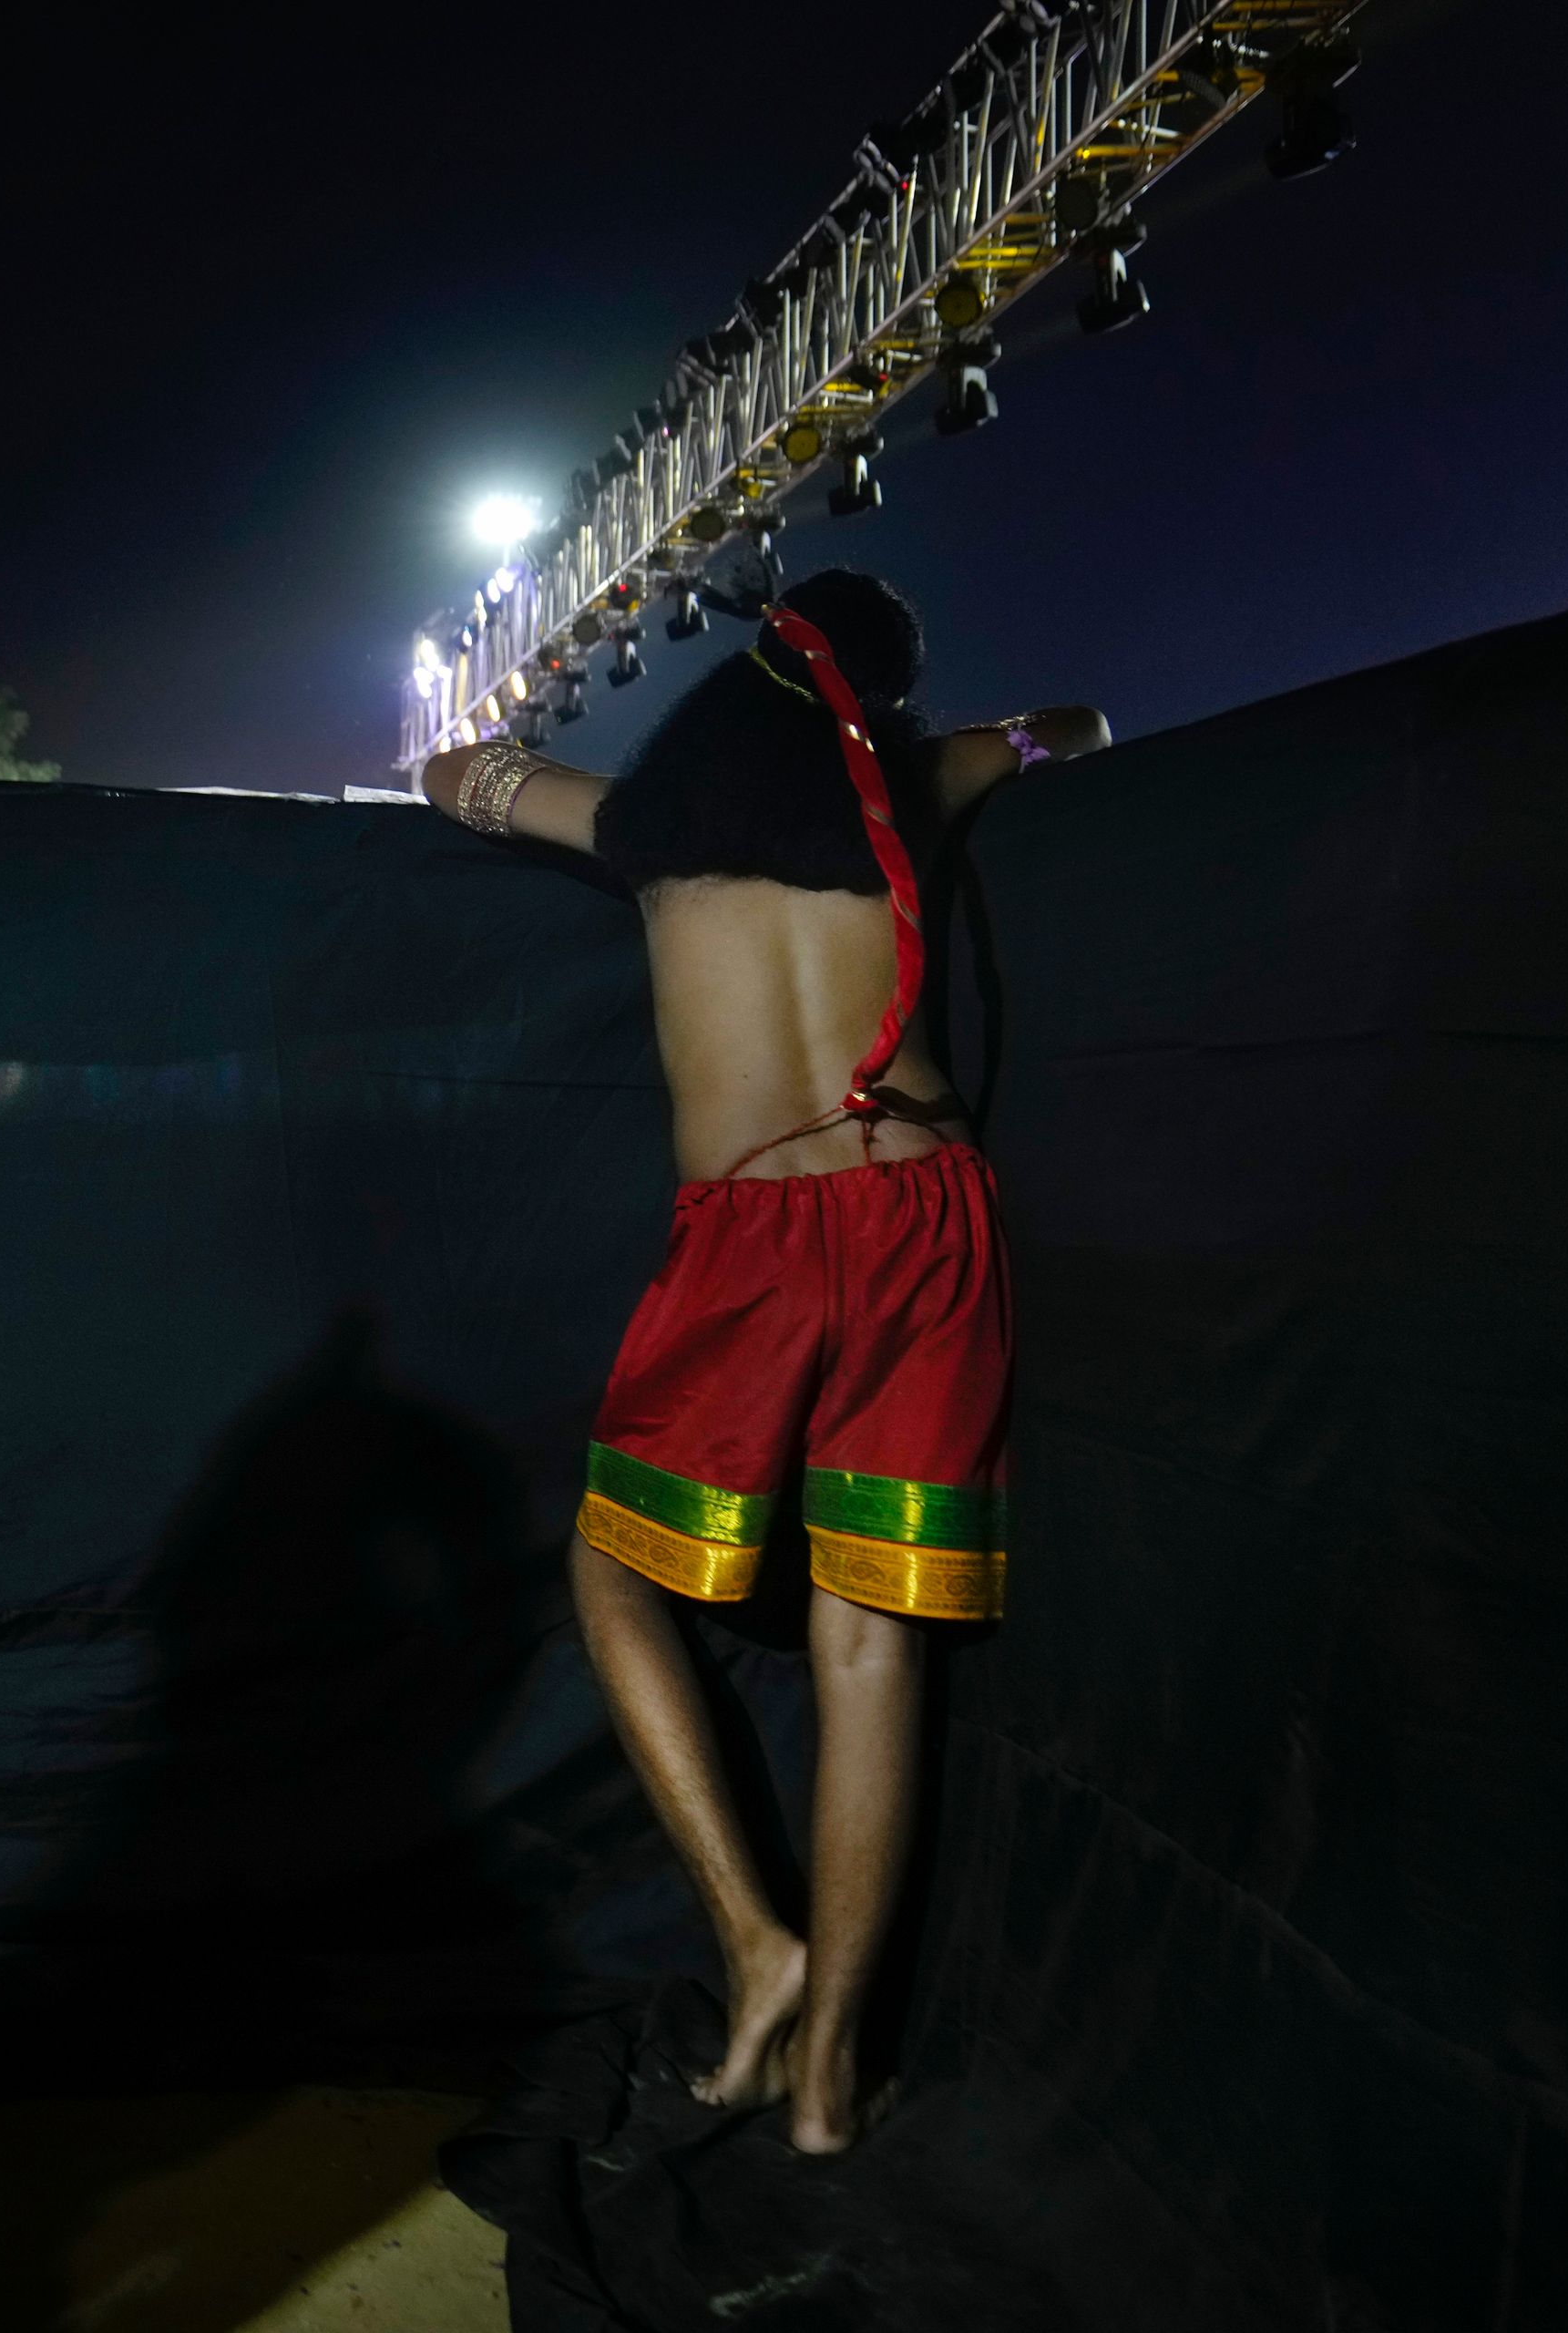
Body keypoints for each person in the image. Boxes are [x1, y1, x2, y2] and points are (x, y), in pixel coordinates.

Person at [421, 570, 1106, 2153]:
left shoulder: (646, 818)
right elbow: (1070, 728)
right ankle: (831, 2078)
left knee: (613, 1582)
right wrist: (997, 739)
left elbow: (449, 777)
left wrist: (505, 760)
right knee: (877, 1646)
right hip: (926, 1207)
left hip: (749, 1235)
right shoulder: (910, 792)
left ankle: (757, 1940)